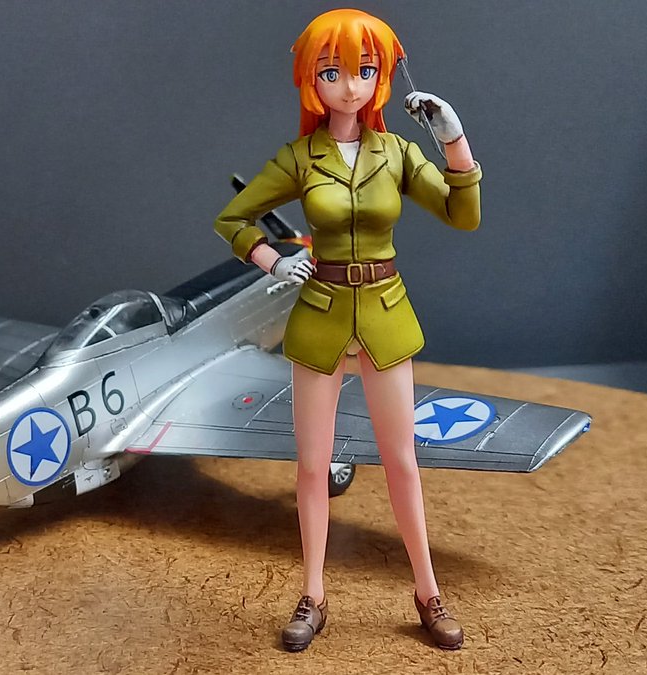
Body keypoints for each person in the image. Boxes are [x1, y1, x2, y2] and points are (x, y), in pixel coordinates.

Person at [213, 8, 482, 652]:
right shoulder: (300, 158)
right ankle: (312, 594)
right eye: (333, 72)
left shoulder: (398, 153)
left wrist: (453, 139)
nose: (350, 86)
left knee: (402, 462)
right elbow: (232, 219)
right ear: (312, 80)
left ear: (382, 77)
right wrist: (273, 259)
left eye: (364, 70)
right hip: (321, 311)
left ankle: (428, 592)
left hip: (385, 310)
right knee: (312, 467)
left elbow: (462, 214)